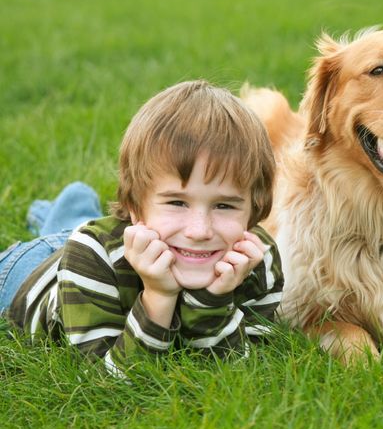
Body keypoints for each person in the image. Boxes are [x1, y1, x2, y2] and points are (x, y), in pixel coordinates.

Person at [0, 80, 283, 377]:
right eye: (177, 202)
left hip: (113, 239)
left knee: (76, 228)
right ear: (134, 206)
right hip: (28, 273)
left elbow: (244, 371)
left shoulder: (255, 257)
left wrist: (213, 302)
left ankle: (73, 209)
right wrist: (158, 296)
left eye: (224, 206)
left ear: (255, 209)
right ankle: (69, 214)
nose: (199, 231)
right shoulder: (90, 257)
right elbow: (105, 380)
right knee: (66, 240)